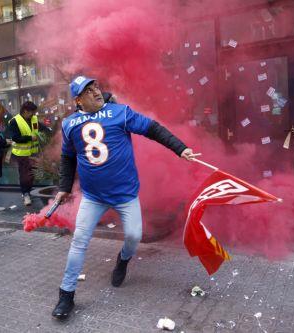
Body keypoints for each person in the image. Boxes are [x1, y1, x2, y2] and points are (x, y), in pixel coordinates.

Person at [51, 75, 197, 319]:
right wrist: (64, 186)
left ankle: (123, 260)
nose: (96, 92)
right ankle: (66, 295)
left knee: (133, 236)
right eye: (88, 91)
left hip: (125, 194)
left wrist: (179, 148)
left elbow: (152, 128)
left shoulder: (121, 113)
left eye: (95, 86)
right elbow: (68, 157)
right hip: (93, 197)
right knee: (79, 241)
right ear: (78, 100)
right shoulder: (69, 124)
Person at [8, 101, 48, 206]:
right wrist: (30, 138)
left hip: (33, 152)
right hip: (21, 153)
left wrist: (48, 133)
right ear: (25, 111)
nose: (33, 115)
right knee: (24, 175)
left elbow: (42, 128)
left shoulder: (33, 119)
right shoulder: (14, 121)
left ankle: (28, 191)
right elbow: (15, 138)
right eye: (32, 112)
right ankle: (25, 194)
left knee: (31, 174)